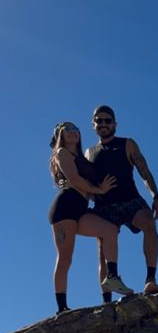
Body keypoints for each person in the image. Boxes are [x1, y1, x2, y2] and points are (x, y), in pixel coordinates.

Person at [48, 122, 133, 314]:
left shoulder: (81, 157)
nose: (72, 132)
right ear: (60, 135)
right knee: (65, 257)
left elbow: (84, 184)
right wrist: (99, 190)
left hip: (81, 209)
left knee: (110, 230)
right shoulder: (62, 153)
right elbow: (74, 180)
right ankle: (62, 308)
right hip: (65, 208)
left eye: (75, 129)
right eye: (67, 129)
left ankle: (112, 277)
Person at [85, 105, 158, 296]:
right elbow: (86, 184)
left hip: (130, 200)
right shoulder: (89, 152)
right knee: (102, 252)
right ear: (93, 124)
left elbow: (144, 171)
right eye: (99, 120)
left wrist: (155, 196)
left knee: (149, 224)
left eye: (107, 120)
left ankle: (150, 280)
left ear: (115, 124)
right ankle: (107, 302)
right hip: (103, 206)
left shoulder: (127, 144)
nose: (103, 124)